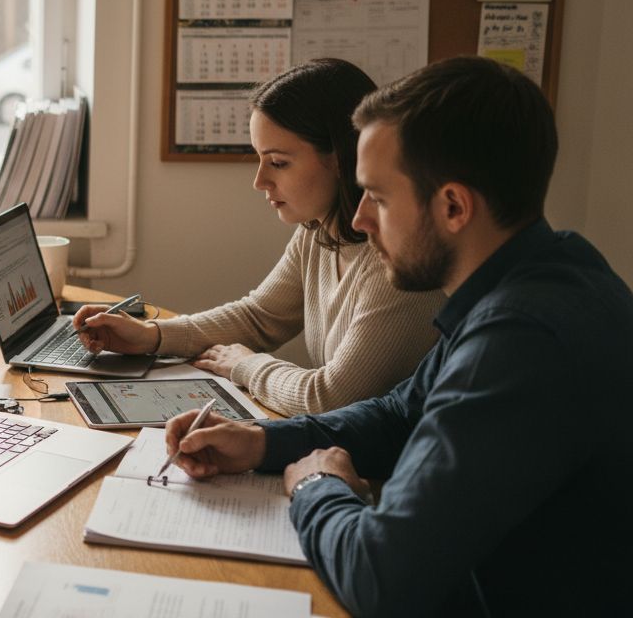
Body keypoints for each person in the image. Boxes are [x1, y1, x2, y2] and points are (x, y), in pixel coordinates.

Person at [164, 56, 633, 616]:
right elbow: (397, 414)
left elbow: (380, 578)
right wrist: (263, 443)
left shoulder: (520, 342)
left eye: (379, 198)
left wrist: (316, 485)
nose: (359, 219)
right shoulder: (549, 271)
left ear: (453, 206)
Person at [75, 59, 441, 416]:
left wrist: (245, 365)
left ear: (342, 158)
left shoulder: (397, 263)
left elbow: (329, 398)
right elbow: (260, 317)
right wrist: (151, 336)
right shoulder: (317, 232)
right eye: (259, 159)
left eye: (278, 162)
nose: (260, 181)